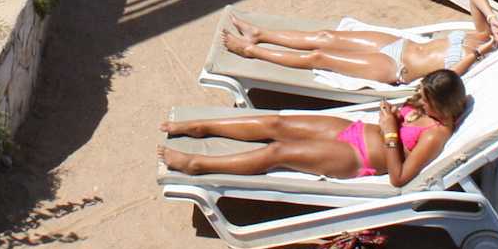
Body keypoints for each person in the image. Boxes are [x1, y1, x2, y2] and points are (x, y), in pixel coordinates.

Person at [160, 71, 470, 186]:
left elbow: (399, 178)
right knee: (276, 122)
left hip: (357, 157)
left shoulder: (436, 134)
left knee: (278, 152)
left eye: (426, 101)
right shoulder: (430, 102)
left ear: (443, 106)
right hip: (355, 129)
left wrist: (390, 131)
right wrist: (392, 115)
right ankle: (201, 126)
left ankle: (198, 164)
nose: (419, 102)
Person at [223, 0, 498, 85]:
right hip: (401, 45)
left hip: (396, 68)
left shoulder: (484, 66)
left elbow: (449, 79)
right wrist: (492, 18)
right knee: (325, 36)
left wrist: (481, 52)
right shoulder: (483, 34)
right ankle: (259, 34)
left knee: (319, 57)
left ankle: (251, 51)